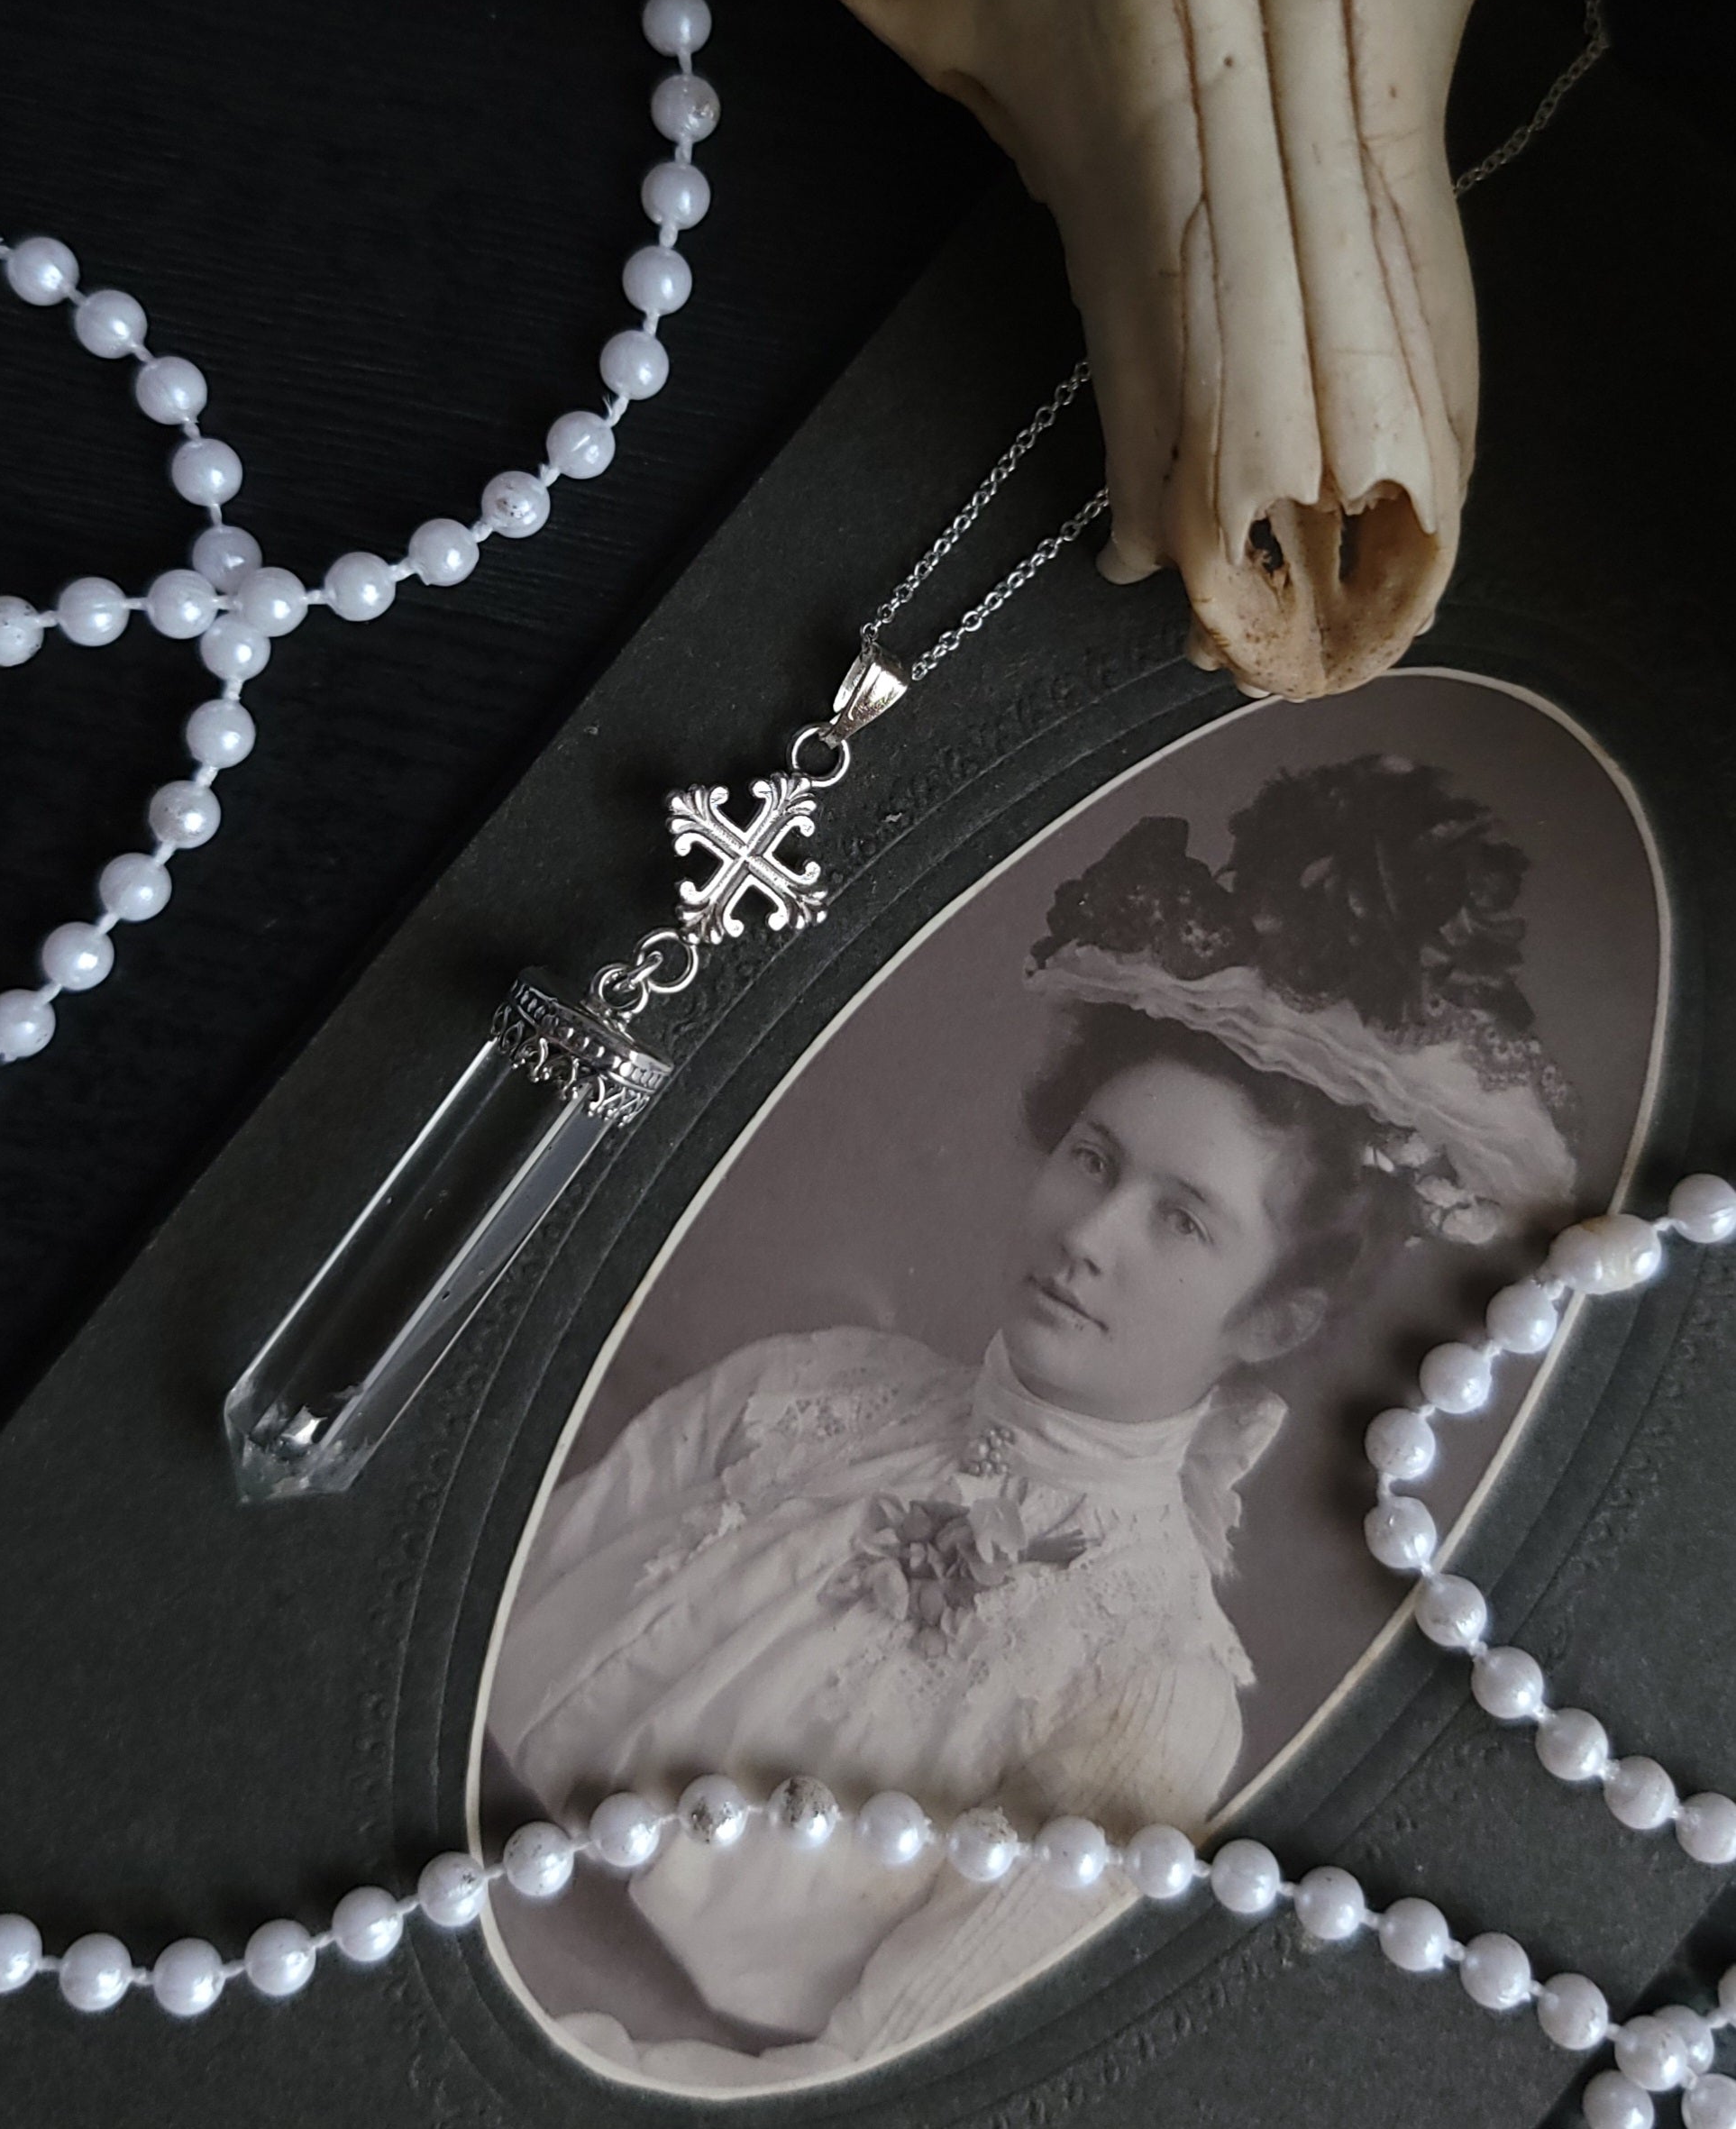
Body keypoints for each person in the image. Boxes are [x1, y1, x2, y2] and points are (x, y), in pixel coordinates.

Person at [481, 756, 1576, 2088]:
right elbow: (470, 1634)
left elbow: (864, 2081)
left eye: (1180, 1218)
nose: (1087, 1233)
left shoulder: (1150, 1689)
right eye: (1093, 1159)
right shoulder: (805, 1383)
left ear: (1275, 1316)